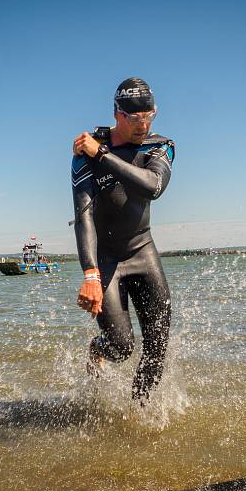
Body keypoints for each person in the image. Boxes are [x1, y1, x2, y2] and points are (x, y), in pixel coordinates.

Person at [71, 77, 175, 402]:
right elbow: (84, 215)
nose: (143, 125)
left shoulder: (158, 145)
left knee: (157, 347)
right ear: (118, 114)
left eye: (150, 116)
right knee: (122, 346)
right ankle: (97, 348)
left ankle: (138, 411)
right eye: (135, 118)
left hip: (143, 251)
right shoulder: (84, 153)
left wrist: (102, 155)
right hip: (107, 260)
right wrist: (90, 273)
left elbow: (152, 187)